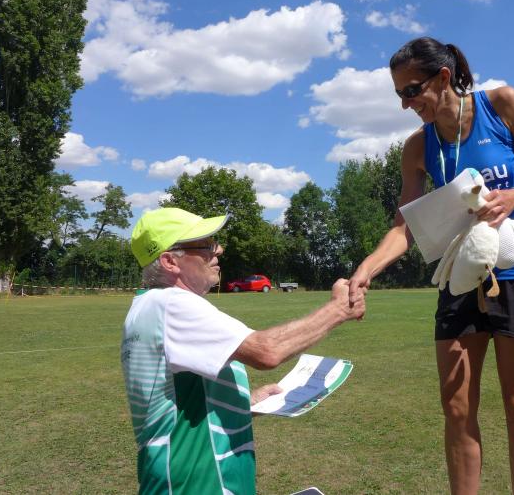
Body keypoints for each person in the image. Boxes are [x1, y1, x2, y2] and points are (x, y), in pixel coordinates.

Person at [348, 37, 514, 495]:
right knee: (457, 407)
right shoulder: (417, 147)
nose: (406, 105)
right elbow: (404, 226)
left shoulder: (501, 105)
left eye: (412, 91)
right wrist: (367, 268)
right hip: (459, 278)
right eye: (399, 95)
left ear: (443, 77)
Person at [122, 207, 365, 494]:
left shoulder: (146, 307)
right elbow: (266, 351)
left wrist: (246, 403)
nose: (219, 250)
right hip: (197, 485)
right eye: (206, 245)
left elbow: (177, 398)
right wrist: (339, 309)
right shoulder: (172, 305)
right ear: (169, 261)